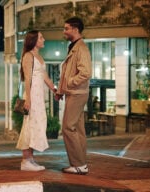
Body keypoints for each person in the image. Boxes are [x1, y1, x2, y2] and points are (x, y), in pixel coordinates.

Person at [55, 17, 92, 175]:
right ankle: (81, 164)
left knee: (68, 128)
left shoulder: (81, 48)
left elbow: (85, 73)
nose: (64, 31)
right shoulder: (74, 47)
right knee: (77, 129)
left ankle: (78, 164)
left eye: (66, 28)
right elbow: (68, 72)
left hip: (77, 93)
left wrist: (69, 83)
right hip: (74, 92)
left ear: (75, 30)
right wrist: (61, 91)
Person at [16, 30, 57, 171]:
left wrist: (54, 90)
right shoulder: (28, 56)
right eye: (41, 37)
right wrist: (28, 99)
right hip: (32, 96)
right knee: (30, 126)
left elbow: (45, 76)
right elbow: (27, 79)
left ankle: (30, 160)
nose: (44, 39)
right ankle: (25, 161)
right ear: (34, 40)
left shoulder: (38, 56)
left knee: (37, 125)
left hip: (39, 96)